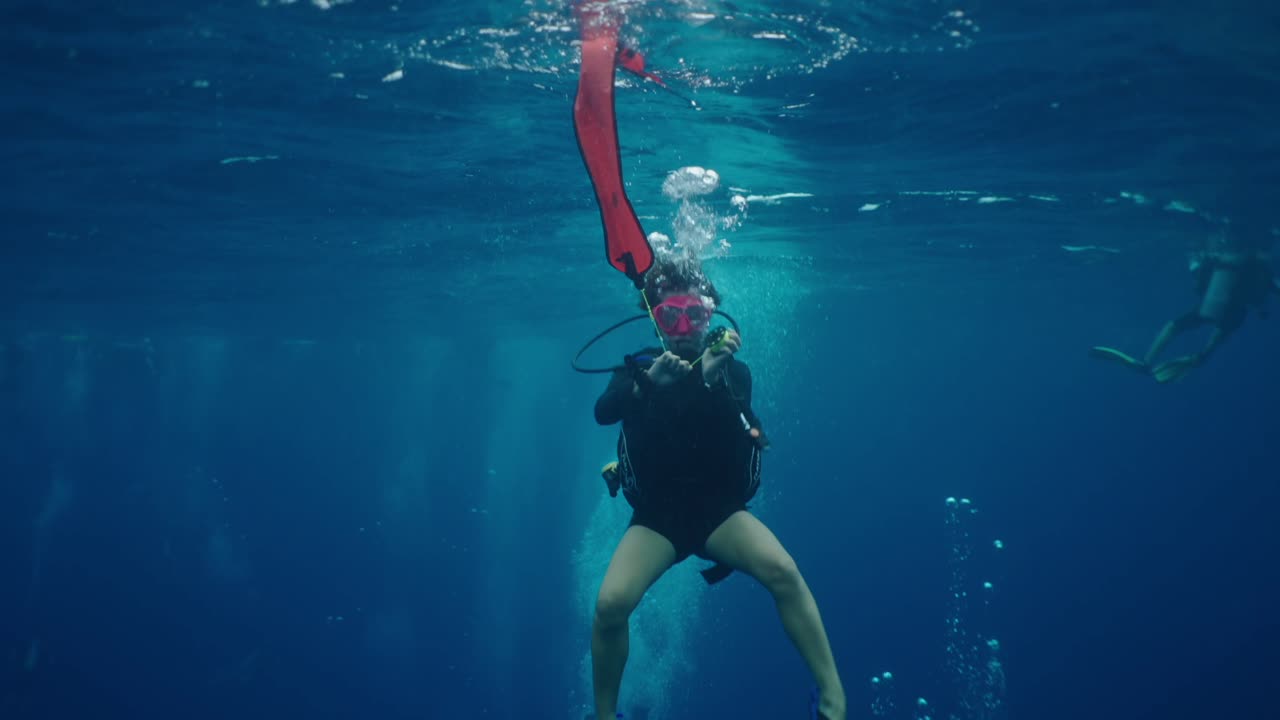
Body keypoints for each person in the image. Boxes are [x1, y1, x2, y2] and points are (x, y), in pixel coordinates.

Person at [589, 260, 847, 720]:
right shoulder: (635, 372)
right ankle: (605, 716)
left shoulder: (733, 372)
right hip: (657, 516)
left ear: (711, 319)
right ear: (654, 318)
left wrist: (705, 378)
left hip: (718, 511)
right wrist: (649, 384)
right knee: (610, 605)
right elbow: (604, 411)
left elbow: (733, 432)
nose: (683, 328)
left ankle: (833, 700)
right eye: (671, 316)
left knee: (783, 571)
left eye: (696, 315)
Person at [1091, 232, 1279, 383]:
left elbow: (1199, 279)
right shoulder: (1260, 267)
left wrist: (1200, 263)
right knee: (1221, 332)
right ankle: (1201, 356)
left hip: (1211, 303)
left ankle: (1146, 362)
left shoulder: (1225, 257)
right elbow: (1268, 293)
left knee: (1173, 327)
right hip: (1237, 313)